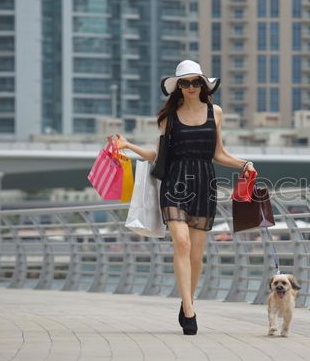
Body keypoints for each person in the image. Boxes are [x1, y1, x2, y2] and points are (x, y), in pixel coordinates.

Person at [108, 59, 257, 335]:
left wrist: (244, 164)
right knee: (183, 243)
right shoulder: (169, 117)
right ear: (178, 86)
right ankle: (189, 311)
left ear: (203, 84)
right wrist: (128, 145)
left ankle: (186, 300)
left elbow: (218, 153)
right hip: (175, 183)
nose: (191, 87)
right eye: (185, 83)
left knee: (197, 255)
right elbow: (159, 156)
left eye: (195, 81)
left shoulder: (216, 113)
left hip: (203, 182)